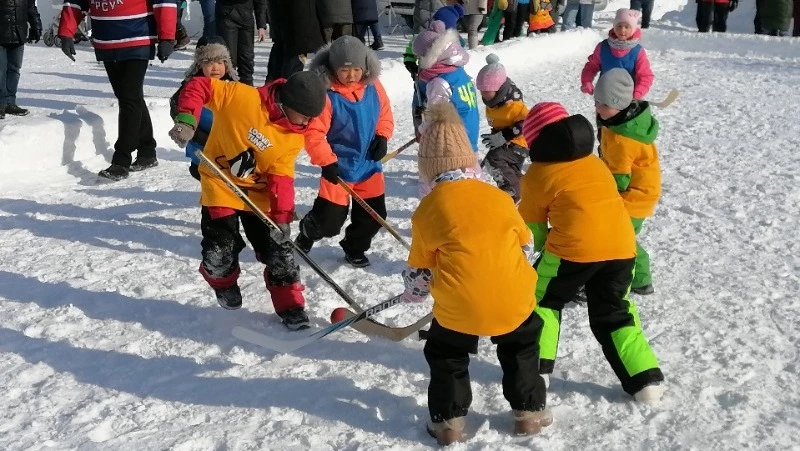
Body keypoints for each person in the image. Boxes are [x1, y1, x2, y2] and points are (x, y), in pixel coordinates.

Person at [403, 102, 551, 446]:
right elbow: (526, 245)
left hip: (460, 308)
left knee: (447, 353)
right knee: (521, 346)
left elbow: (420, 270)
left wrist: (416, 291)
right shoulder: (498, 197)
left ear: (428, 170)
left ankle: (449, 423)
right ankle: (528, 414)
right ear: (470, 162)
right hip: (513, 298)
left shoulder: (429, 209)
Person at [518, 101, 665, 404]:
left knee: (542, 298)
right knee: (614, 310)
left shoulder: (537, 175)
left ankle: (536, 370)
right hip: (623, 246)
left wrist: (546, 246)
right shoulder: (595, 162)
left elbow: (533, 224)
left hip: (573, 250)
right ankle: (645, 381)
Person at [169, 71, 328, 330]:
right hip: (220, 183)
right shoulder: (242, 97)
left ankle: (291, 305)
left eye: (313, 118)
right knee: (220, 249)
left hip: (258, 195)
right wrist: (187, 119)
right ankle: (223, 281)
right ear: (287, 104)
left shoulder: (293, 136)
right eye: (305, 116)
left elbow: (282, 179)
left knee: (280, 252)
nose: (308, 123)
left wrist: (282, 218)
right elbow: (198, 86)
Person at [295, 36, 394, 268]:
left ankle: (355, 247)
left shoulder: (373, 86)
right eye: (344, 70)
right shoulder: (327, 95)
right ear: (332, 69)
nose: (351, 76)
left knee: (374, 216)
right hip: (338, 168)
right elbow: (314, 133)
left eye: (357, 69)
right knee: (329, 222)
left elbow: (385, 113)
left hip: (368, 165)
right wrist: (327, 161)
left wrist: (382, 135)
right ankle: (309, 230)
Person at [58, 0, 177, 181]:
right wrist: (66, 32)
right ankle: (147, 151)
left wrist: (167, 37)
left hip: (137, 38)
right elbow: (76, 1)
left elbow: (164, 2)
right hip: (106, 41)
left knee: (129, 98)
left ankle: (121, 160)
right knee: (129, 97)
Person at [594, 69, 660, 295]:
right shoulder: (620, 124)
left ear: (620, 105)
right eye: (596, 102)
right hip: (637, 192)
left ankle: (640, 279)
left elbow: (619, 178)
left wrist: (604, 197)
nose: (597, 109)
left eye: (603, 105)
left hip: (635, 196)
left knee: (620, 236)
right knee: (620, 235)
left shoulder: (623, 139)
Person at [169, 39, 239, 181]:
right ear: (199, 65)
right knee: (207, 180)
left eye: (220, 62)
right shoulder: (190, 88)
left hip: (228, 150)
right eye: (209, 62)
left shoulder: (234, 87)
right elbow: (178, 109)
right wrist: (196, 134)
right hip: (201, 146)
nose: (215, 68)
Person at [475, 54, 528, 203]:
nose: (483, 95)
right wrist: (496, 136)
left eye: (486, 91)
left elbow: (526, 122)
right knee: (511, 170)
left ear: (498, 89)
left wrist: (503, 136)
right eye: (481, 91)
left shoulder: (513, 105)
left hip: (520, 143)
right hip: (506, 142)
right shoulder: (493, 102)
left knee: (494, 160)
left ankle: (512, 192)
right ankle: (526, 190)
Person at [580, 8, 653, 101]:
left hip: (628, 97)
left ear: (633, 29)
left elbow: (645, 75)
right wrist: (586, 82)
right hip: (604, 96)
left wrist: (638, 92)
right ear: (614, 27)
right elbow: (591, 66)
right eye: (619, 26)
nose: (622, 30)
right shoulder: (603, 47)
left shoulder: (637, 51)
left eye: (627, 27)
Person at [0, 0, 41, 119]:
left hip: (19, 33)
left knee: (14, 69)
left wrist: (36, 26)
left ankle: (10, 103)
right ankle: (1, 103)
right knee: (0, 70)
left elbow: (31, 7)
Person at [266, 0, 324, 82]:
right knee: (291, 72)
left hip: (287, 31)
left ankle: (274, 88)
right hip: (299, 35)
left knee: (280, 68)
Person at [215, 0, 267, 86]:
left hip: (246, 18)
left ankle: (247, 90)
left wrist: (261, 25)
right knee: (229, 60)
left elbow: (260, 2)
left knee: (247, 59)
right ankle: (228, 90)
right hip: (226, 15)